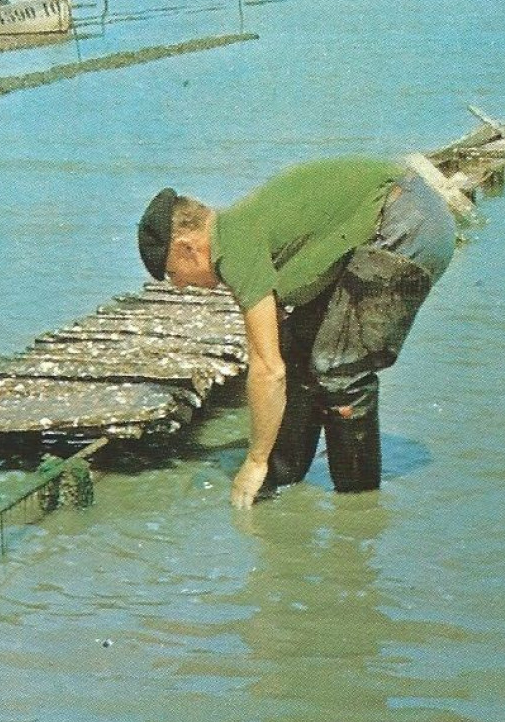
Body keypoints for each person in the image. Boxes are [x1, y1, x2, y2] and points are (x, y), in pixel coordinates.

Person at [136, 156, 456, 509]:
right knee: (299, 345)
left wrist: (254, 459)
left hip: (407, 223)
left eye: (172, 274)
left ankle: (357, 512)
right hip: (403, 208)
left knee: (339, 370)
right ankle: (282, 477)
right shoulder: (237, 230)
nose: (178, 287)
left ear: (188, 249)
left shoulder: (234, 249)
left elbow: (267, 370)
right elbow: (279, 352)